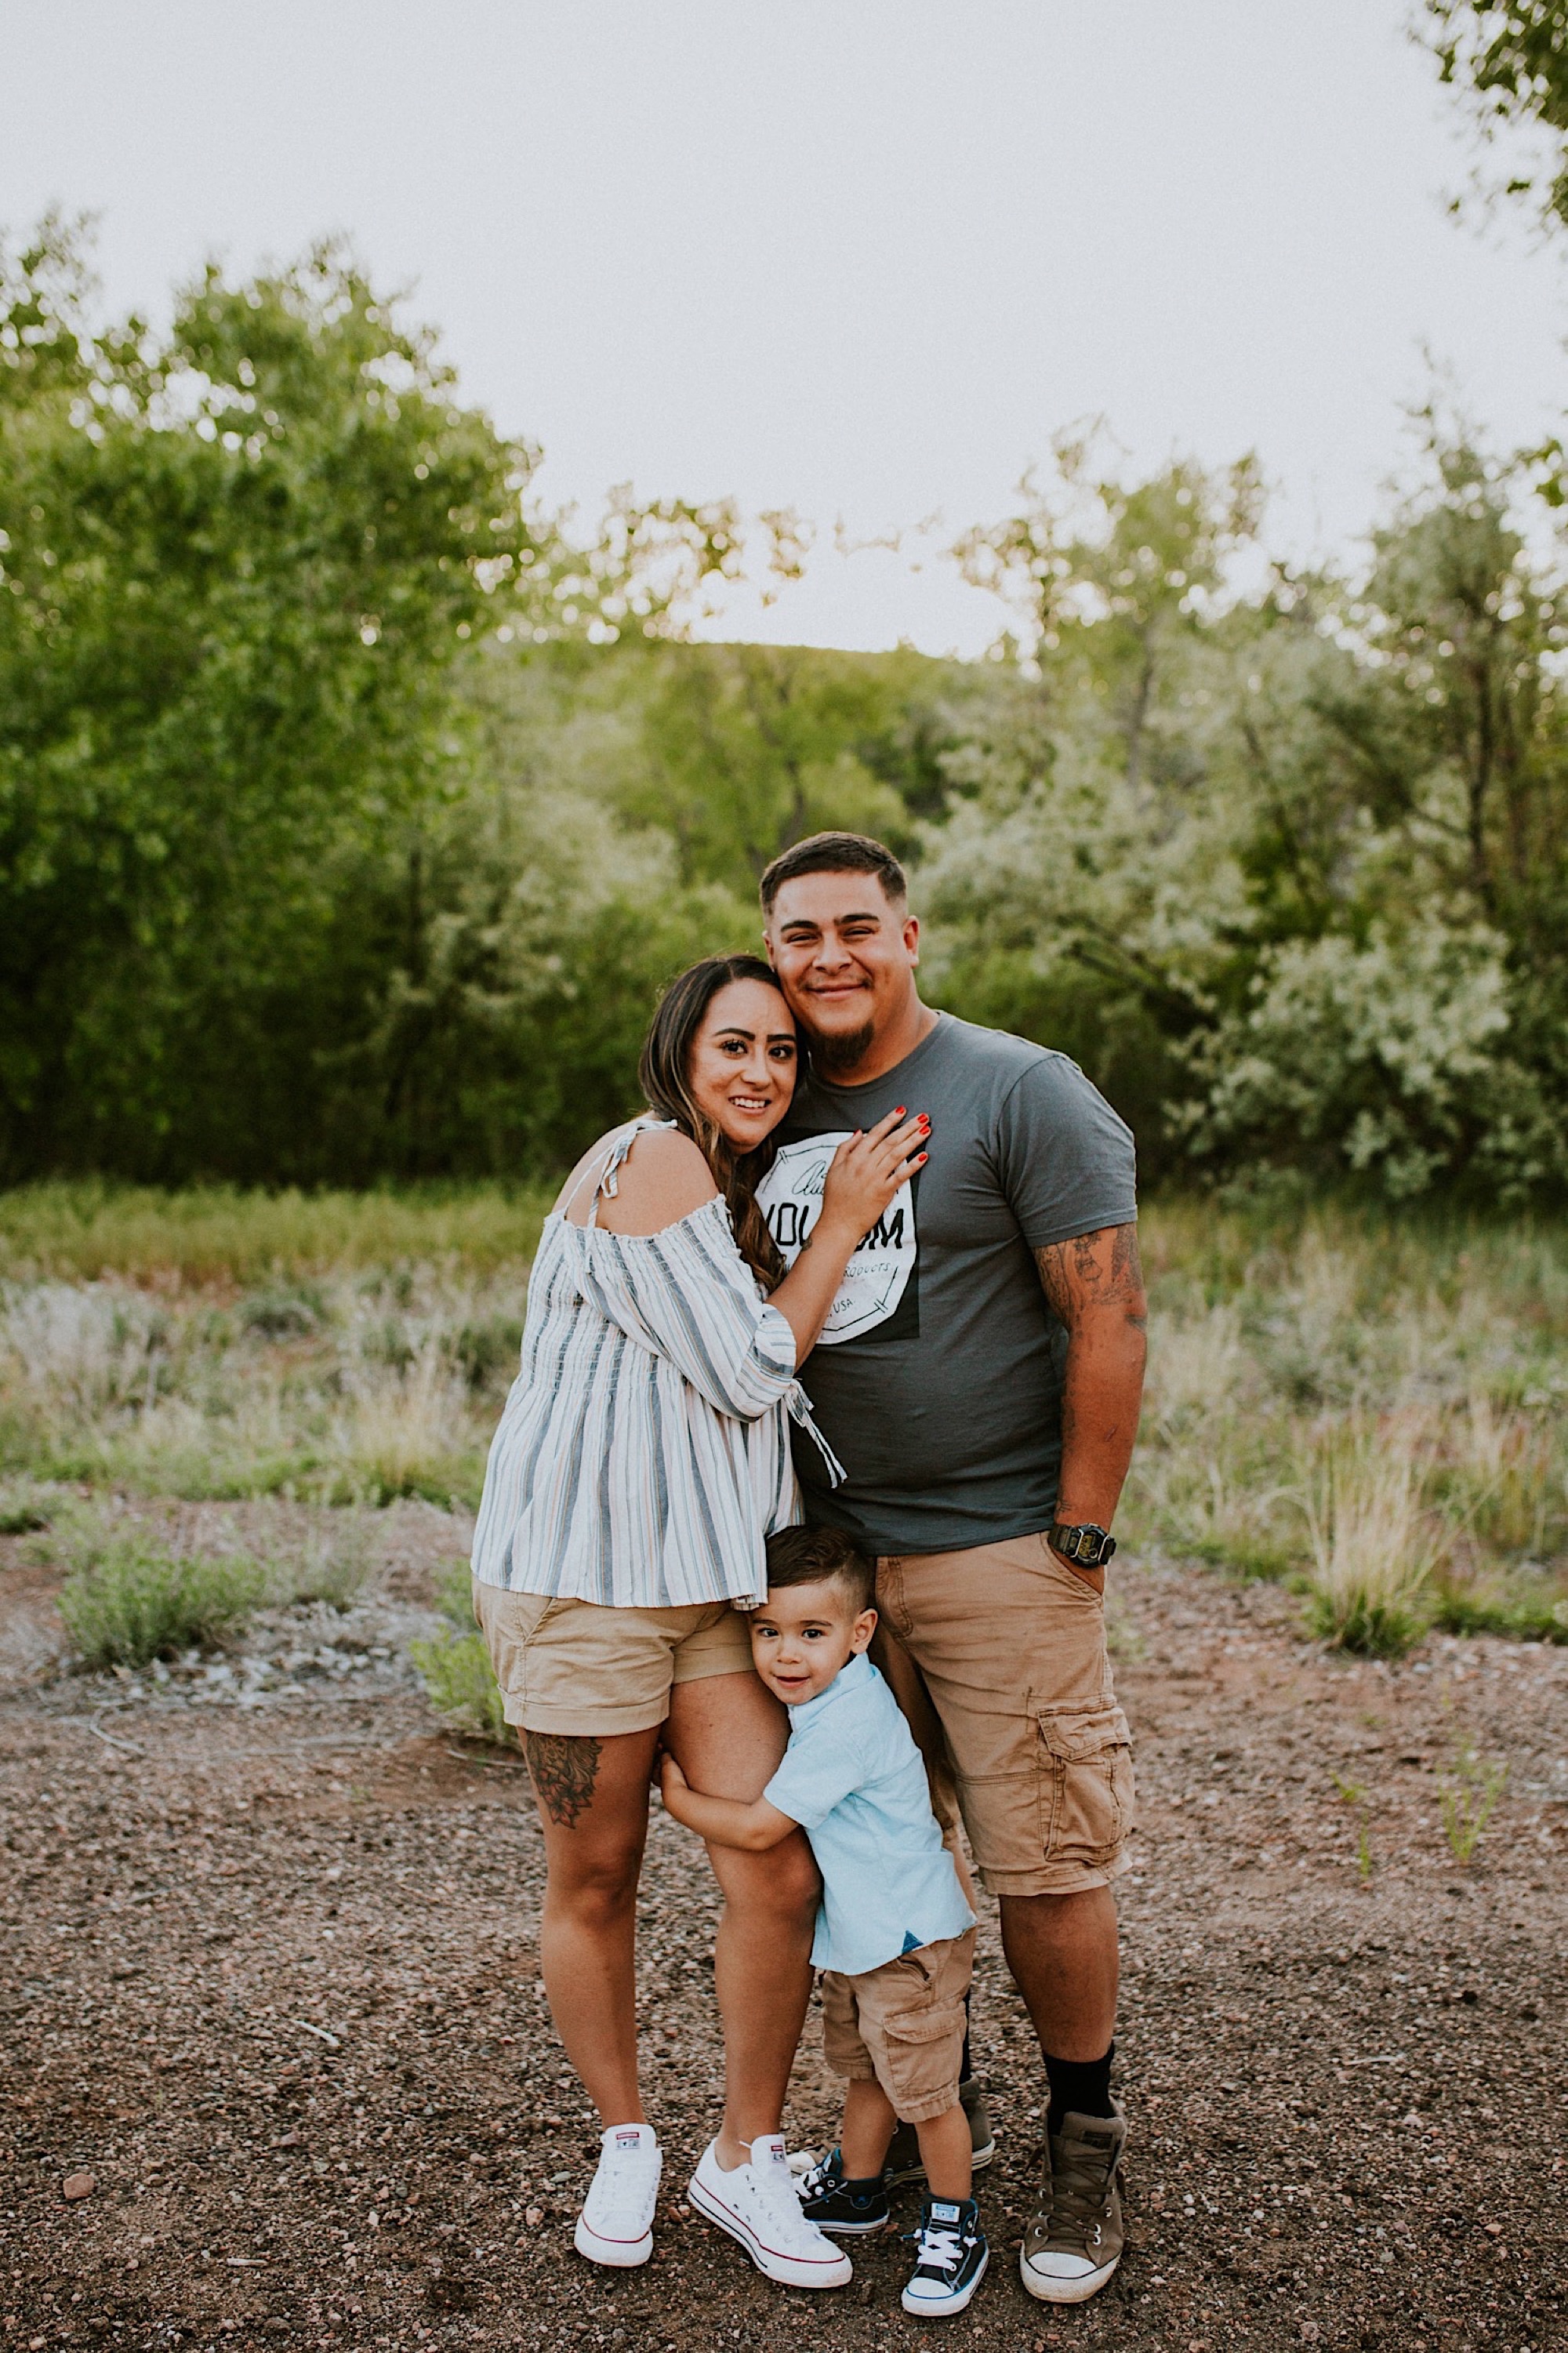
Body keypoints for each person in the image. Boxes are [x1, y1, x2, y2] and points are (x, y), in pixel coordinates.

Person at [469, 952, 929, 2286]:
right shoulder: (657, 1159)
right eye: (737, 1044)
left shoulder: (730, 1192)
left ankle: (741, 2155)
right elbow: (745, 1371)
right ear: (681, 1049)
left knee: (775, 1867)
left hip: (718, 1595)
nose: (761, 1072)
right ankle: (624, 2137)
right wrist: (845, 1217)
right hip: (586, 1586)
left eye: (783, 1053)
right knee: (596, 1876)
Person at [754, 833, 1147, 2308]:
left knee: (1045, 1866)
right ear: (773, 949)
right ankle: (924, 2141)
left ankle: (1082, 2147)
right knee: (876, 1863)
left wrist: (1080, 1533)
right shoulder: (766, 1095)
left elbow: (1107, 1315)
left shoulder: (1018, 1088)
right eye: (802, 935)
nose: (831, 955)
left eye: (859, 926)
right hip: (837, 1573)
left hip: (998, 1552)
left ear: (912, 933)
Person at [659, 1524, 989, 2319]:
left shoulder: (846, 1722)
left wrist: (675, 1796)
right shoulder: (835, 1693)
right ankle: (857, 2187)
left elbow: (758, 1829)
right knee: (868, 2067)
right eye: (767, 1632)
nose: (785, 1654)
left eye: (811, 1633)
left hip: (908, 1940)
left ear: (858, 1633)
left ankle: (954, 2220)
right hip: (867, 1937)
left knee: (927, 2092)